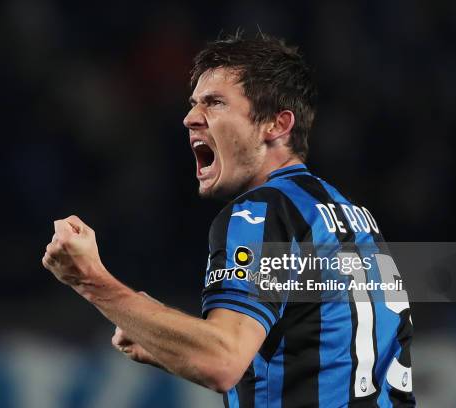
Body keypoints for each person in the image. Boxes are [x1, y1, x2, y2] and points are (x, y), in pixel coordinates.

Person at [42, 32, 415, 407]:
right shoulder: (354, 217)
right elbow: (311, 348)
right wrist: (161, 333)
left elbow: (221, 361)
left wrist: (90, 279)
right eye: (192, 104)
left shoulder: (262, 212)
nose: (190, 118)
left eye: (215, 103)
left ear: (275, 125)